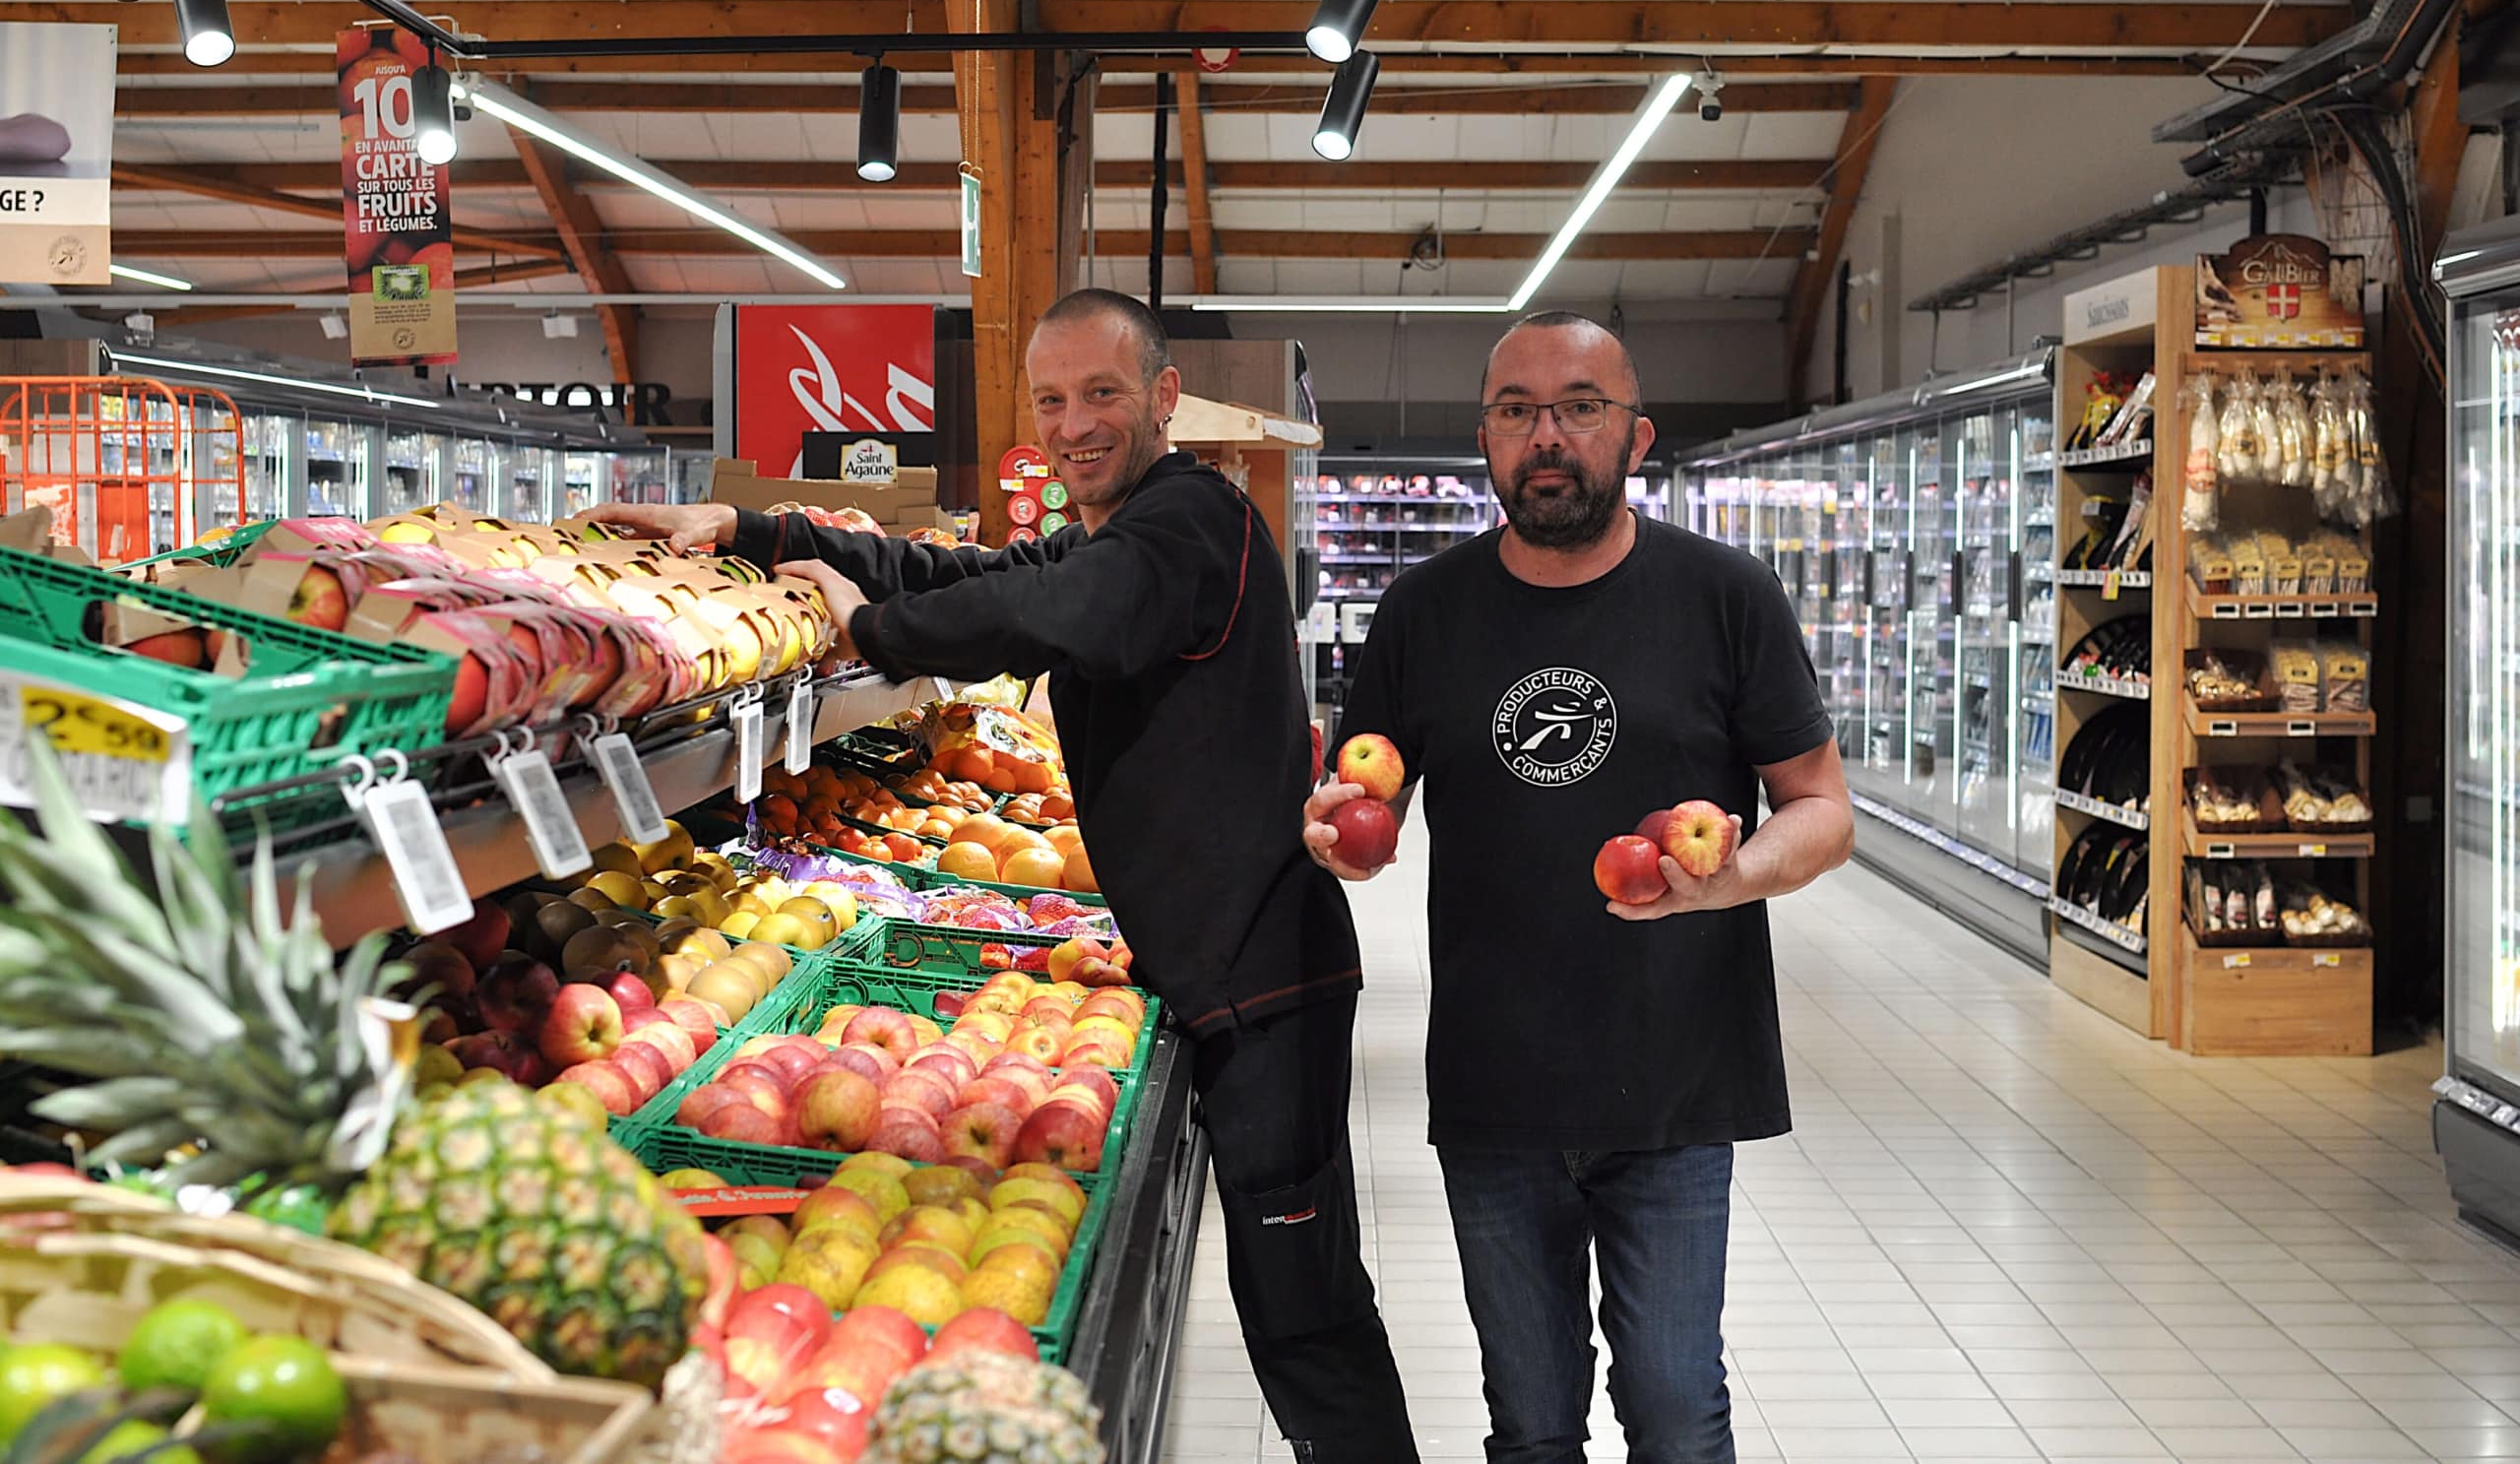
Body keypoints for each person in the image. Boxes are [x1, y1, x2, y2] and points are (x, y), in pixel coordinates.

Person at [588, 288, 1418, 1463]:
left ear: (1164, 397)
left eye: (1101, 394)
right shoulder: (1129, 529)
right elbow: (968, 572)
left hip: (1262, 976)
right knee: (1291, 1300)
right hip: (1222, 965)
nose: (1072, 425)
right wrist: (752, 533)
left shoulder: (1191, 520)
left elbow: (1062, 611)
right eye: (1051, 400)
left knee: (1304, 1309)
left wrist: (871, 632)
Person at [1299, 311, 1854, 1464]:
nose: (1545, 435)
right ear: (1486, 439)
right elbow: (1367, 799)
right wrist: (1341, 839)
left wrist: (1730, 879)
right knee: (1532, 1423)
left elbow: (1821, 808)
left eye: (1579, 408)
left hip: (1676, 1078)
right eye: (1515, 411)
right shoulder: (1423, 612)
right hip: (1495, 1080)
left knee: (1676, 1413)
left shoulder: (1725, 595)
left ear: (1635, 435)